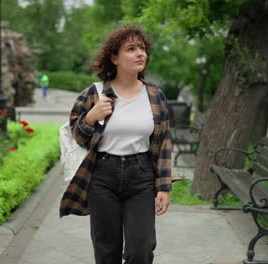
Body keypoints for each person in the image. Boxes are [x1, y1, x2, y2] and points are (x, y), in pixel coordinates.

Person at [59, 25, 172, 264]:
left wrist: (163, 187)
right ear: (114, 57)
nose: (140, 53)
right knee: (106, 251)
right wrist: (90, 117)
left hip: (140, 176)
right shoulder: (95, 94)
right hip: (103, 176)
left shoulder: (155, 96)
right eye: (131, 49)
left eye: (142, 48)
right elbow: (76, 136)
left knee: (140, 250)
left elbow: (163, 143)